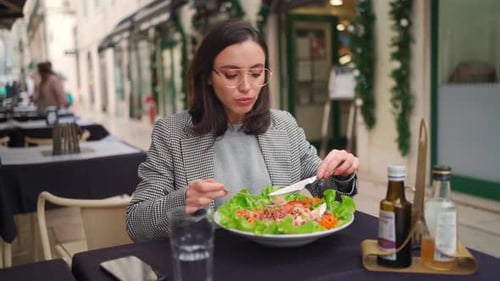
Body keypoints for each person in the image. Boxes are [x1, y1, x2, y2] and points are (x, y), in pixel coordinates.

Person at [126, 19, 360, 241]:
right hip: (212, 261)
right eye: (231, 75)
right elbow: (135, 224)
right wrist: (182, 201)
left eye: (256, 73)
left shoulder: (283, 126)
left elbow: (324, 188)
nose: (246, 87)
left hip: (280, 260)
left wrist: (341, 174)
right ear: (208, 75)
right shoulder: (172, 134)